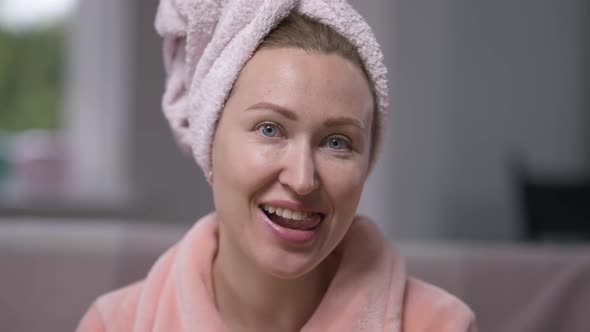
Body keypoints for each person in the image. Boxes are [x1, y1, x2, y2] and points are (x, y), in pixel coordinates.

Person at [77, 0, 477, 331]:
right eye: (270, 129)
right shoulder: (113, 324)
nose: (303, 180)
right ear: (209, 138)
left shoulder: (440, 324)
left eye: (337, 142)